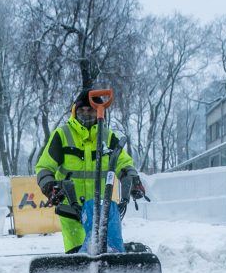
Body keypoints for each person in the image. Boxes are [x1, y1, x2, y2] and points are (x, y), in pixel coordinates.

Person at [35, 88, 146, 253]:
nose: (86, 114)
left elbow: (123, 164)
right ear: (75, 112)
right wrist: (50, 186)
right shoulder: (62, 135)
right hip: (72, 211)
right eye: (82, 110)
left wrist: (133, 180)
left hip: (101, 210)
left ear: (99, 112)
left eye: (91, 110)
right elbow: (44, 167)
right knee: (78, 259)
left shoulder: (108, 137)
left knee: (108, 252)